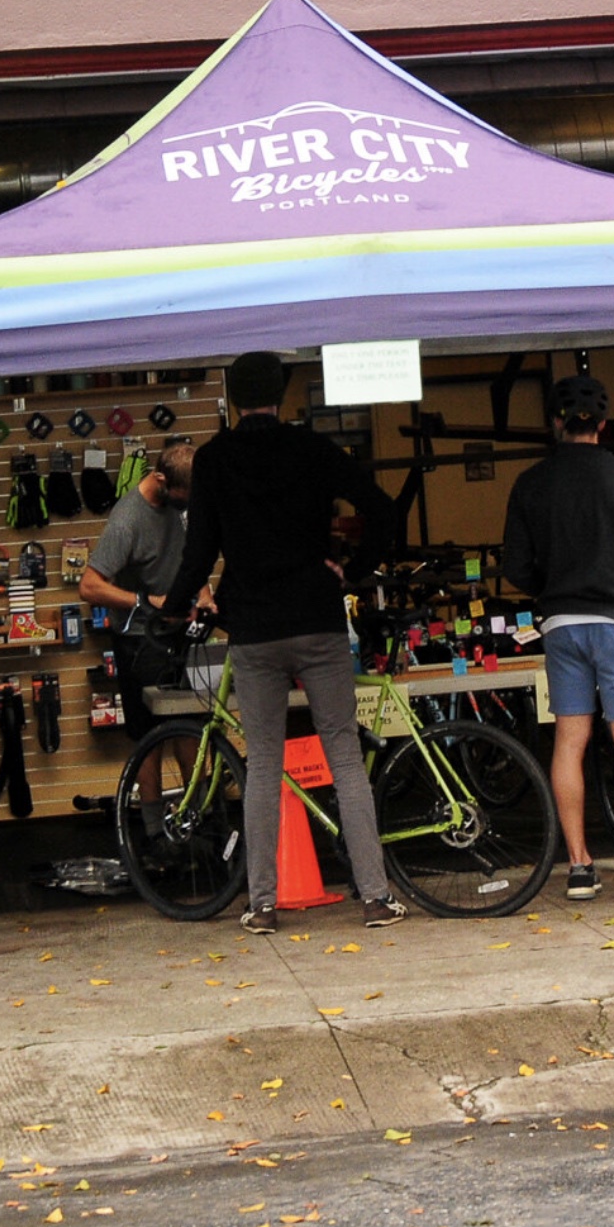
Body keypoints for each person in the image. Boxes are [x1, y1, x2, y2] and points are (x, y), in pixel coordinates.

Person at [161, 351, 406, 934]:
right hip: (318, 622)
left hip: (254, 630)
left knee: (263, 764)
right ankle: (374, 898)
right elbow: (381, 508)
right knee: (344, 756)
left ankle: (263, 904)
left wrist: (172, 609)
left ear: (234, 396)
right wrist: (354, 568)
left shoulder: (215, 460)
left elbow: (200, 553)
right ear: (281, 393)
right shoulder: (314, 449)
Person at [501, 373, 614, 902]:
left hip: (560, 626)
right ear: (603, 424)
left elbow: (516, 567)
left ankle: (579, 866)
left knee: (570, 740)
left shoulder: (530, 483)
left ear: (555, 423)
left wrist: (551, 588)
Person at [78, 440, 196, 745]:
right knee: (149, 737)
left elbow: (190, 554)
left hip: (179, 632)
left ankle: (195, 794)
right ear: (160, 480)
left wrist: (203, 593)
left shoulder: (181, 505)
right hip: (140, 642)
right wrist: (144, 601)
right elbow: (89, 586)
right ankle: (152, 796)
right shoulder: (127, 520)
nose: (186, 505)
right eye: (182, 498)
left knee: (190, 726)